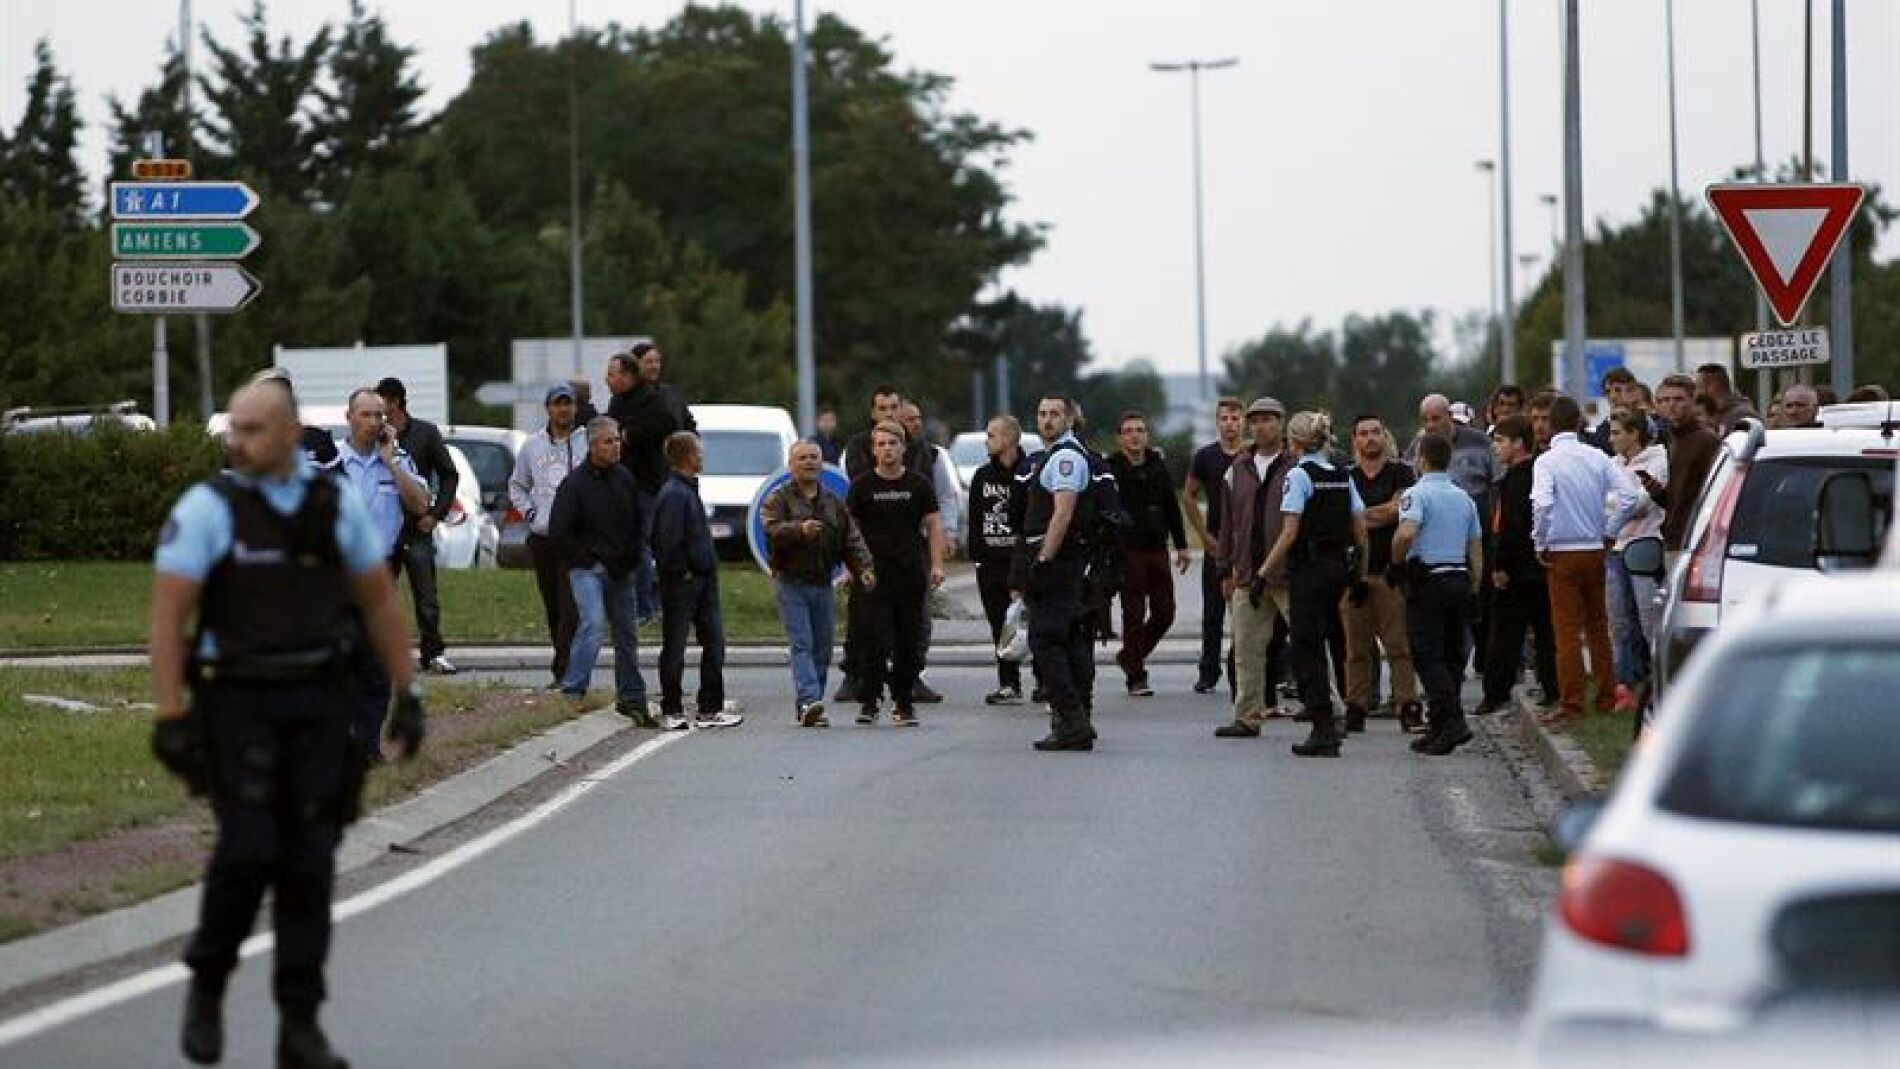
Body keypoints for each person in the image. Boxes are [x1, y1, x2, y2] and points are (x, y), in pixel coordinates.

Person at [150, 381, 425, 1069]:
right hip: (237, 698)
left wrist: (407, 693)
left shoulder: (329, 505)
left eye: (252, 428)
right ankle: (209, 981)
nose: (237, 440)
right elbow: (168, 615)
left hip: (317, 701)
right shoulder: (212, 507)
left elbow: (379, 603)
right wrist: (171, 714)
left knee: (309, 862)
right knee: (246, 848)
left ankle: (298, 1022)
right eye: (233, 428)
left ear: (290, 432)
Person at [1259, 411, 1368, 758]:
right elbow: (1361, 530)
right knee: (1335, 639)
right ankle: (1342, 716)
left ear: (1294, 443)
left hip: (1308, 569)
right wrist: (1359, 575)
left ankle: (1322, 725)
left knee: (1307, 647)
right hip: (1339, 567)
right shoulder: (1341, 475)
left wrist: (1264, 573)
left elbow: (1289, 532)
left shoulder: (1299, 476)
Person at [1532, 395, 1640, 726]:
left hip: (1562, 551)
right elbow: (1630, 496)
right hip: (1595, 547)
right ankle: (1606, 695)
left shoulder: (1547, 462)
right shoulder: (1597, 457)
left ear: (1550, 424)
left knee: (1565, 630)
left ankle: (1572, 702)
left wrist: (1540, 540)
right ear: (1579, 422)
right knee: (1598, 626)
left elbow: (1543, 503)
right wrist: (1610, 532)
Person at [335, 387, 430, 757]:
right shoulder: (332, 462)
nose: (374, 422)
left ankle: (368, 744)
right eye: (366, 415)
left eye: (379, 416)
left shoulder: (397, 459)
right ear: (349, 417)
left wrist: (391, 462)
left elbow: (421, 503)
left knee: (376, 664)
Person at [547, 417, 654, 725]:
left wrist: (631, 557)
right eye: (608, 441)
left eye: (617, 440)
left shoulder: (625, 479)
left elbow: (637, 524)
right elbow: (560, 532)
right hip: (588, 569)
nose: (615, 446)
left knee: (627, 635)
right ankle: (573, 689)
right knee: (593, 626)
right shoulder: (574, 485)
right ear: (592, 446)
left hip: (622, 569)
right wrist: (588, 558)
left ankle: (632, 696)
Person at [763, 440, 874, 727]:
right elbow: (771, 528)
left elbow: (851, 538)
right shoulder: (779, 499)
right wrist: (798, 530)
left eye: (814, 458)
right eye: (802, 458)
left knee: (823, 647)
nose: (809, 463)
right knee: (802, 643)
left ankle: (812, 706)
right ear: (791, 465)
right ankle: (810, 700)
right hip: (791, 582)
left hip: (823, 582)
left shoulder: (833, 502)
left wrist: (864, 568)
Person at [846, 420, 946, 727]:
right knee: (872, 639)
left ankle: (903, 702)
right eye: (881, 445)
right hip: (872, 575)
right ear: (873, 450)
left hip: (909, 573)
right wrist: (852, 568)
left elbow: (933, 525)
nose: (887, 450)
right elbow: (849, 529)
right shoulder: (862, 486)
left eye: (892, 444)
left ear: (903, 448)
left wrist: (937, 564)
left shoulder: (918, 485)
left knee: (908, 641)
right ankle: (869, 700)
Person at [1390, 432, 1484, 756]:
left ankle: (1453, 721)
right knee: (1451, 656)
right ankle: (1440, 726)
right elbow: (1476, 550)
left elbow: (1406, 532)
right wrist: (1474, 586)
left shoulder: (1416, 495)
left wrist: (1396, 560)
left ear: (1421, 460)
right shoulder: (1464, 498)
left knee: (1427, 656)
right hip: (1459, 578)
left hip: (1428, 580)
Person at [835, 384, 929, 704]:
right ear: (874, 413)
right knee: (863, 618)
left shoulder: (917, 448)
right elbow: (860, 494)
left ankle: (910, 676)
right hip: (870, 549)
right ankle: (854, 674)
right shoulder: (859, 446)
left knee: (912, 619)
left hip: (908, 546)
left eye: (894, 408)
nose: (890, 414)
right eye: (883, 409)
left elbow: (924, 492)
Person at [1018, 395, 1099, 751]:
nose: (1047, 420)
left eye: (1055, 414)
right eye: (1042, 414)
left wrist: (1044, 561)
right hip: (1061, 558)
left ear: (1069, 419)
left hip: (1058, 559)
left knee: (1046, 640)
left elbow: (1062, 514)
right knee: (1067, 638)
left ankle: (1071, 718)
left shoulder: (1065, 457)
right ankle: (1077, 717)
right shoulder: (1055, 455)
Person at [1213, 396, 1297, 739]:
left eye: (1269, 420)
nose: (1261, 426)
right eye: (1256, 420)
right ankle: (1247, 716)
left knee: (1307, 643)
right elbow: (1227, 523)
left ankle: (1329, 707)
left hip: (1288, 574)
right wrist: (1224, 567)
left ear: (1282, 424)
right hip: (1247, 573)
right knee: (1245, 649)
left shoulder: (1296, 465)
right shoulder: (1238, 469)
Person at [650, 431, 743, 730]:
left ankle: (709, 707)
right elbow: (666, 541)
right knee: (675, 644)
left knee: (714, 642)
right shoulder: (675, 494)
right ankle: (672, 708)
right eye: (698, 452)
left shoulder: (689, 490)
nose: (702, 457)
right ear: (687, 457)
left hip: (704, 579)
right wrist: (682, 571)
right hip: (684, 582)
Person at [374, 377, 460, 676]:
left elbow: (449, 475)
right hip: (383, 529)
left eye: (380, 402)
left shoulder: (425, 433)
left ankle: (433, 653)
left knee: (426, 595)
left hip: (415, 527)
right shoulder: (374, 435)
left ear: (394, 402)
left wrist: (436, 514)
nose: (375, 410)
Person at [1341, 414, 1421, 732]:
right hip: (1355, 574)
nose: (1371, 438)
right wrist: (1380, 512)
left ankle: (1406, 704)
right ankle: (1356, 706)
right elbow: (1346, 518)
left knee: (1399, 646)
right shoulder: (1345, 476)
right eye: (1364, 433)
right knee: (1355, 649)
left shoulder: (1402, 472)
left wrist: (1362, 514)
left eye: (1376, 432)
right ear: (1355, 440)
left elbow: (1399, 511)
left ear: (1384, 436)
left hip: (1391, 571)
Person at [607, 344, 697, 624]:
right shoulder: (621, 400)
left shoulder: (662, 397)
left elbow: (676, 425)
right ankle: (648, 604)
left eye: (658, 361)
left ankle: (652, 605)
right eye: (649, 361)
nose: (655, 366)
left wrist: (631, 434)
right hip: (631, 481)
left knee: (657, 543)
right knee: (642, 544)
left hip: (652, 481)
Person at [1477, 415, 1559, 716]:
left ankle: (1495, 693)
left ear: (1518, 444)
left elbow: (1511, 526)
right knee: (1545, 632)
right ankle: (1552, 687)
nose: (1495, 448)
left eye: (1500, 441)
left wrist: (1501, 564)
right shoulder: (1536, 473)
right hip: (1538, 567)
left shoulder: (1517, 479)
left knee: (1504, 635)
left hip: (1516, 571)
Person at [1107, 410, 1191, 697]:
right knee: (1133, 613)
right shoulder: (1112, 468)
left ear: (1147, 436)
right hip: (1128, 550)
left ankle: (1130, 656)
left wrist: (1181, 545)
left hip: (1157, 548)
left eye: (1140, 430)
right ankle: (1136, 676)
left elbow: (1171, 505)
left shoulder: (1157, 466)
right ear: (1120, 438)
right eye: (1128, 430)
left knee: (1165, 612)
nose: (1135, 435)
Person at [508, 384, 584, 690]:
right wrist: (530, 513)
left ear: (575, 408)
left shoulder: (585, 443)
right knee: (553, 604)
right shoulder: (532, 446)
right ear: (548, 409)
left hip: (576, 538)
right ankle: (562, 663)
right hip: (543, 536)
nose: (563, 410)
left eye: (568, 404)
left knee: (570, 606)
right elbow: (517, 485)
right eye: (557, 404)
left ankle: (565, 670)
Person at [967, 415, 1034, 705]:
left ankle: (1045, 681)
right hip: (991, 562)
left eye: (992, 435)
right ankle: (1008, 683)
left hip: (1021, 560)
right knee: (999, 623)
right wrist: (977, 557)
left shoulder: (1030, 471)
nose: (987, 441)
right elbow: (974, 518)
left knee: (1032, 622)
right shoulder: (982, 476)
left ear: (1008, 439)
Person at [1182, 397, 1246, 694]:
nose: (1230, 424)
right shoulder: (1205, 456)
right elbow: (1189, 496)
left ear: (1243, 421)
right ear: (1217, 422)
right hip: (1216, 543)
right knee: (1213, 611)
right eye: (1224, 418)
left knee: (1250, 610)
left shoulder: (1252, 455)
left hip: (1247, 545)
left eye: (1235, 418)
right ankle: (1208, 671)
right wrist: (1204, 536)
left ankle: (1258, 668)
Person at [1605, 409, 1668, 713]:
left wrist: (1618, 504)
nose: (1611, 438)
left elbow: (1641, 505)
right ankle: (1625, 686)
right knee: (1619, 621)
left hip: (1644, 544)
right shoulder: (1613, 464)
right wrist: (1621, 503)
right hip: (1616, 546)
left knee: (1647, 618)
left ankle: (1660, 683)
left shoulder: (1658, 460)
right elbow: (1605, 502)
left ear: (1635, 433)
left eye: (1617, 432)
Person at [899, 400, 954, 703]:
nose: (916, 424)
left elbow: (945, 499)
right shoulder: (868, 454)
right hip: (884, 549)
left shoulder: (933, 456)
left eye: (919, 418)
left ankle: (913, 674)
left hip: (919, 546)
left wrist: (946, 534)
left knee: (920, 615)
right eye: (910, 418)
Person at [1650, 374, 1719, 559]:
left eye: (1678, 399)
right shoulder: (1671, 438)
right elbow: (1679, 496)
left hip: (1696, 540)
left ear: (1692, 401)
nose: (1671, 405)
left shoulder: (1706, 440)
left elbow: (1714, 491)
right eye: (1664, 400)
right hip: (1674, 537)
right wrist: (1658, 493)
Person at [1694, 362, 1757, 436]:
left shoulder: (1742, 416)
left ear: (1713, 386)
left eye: (1699, 387)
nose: (1696, 393)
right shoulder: (1718, 413)